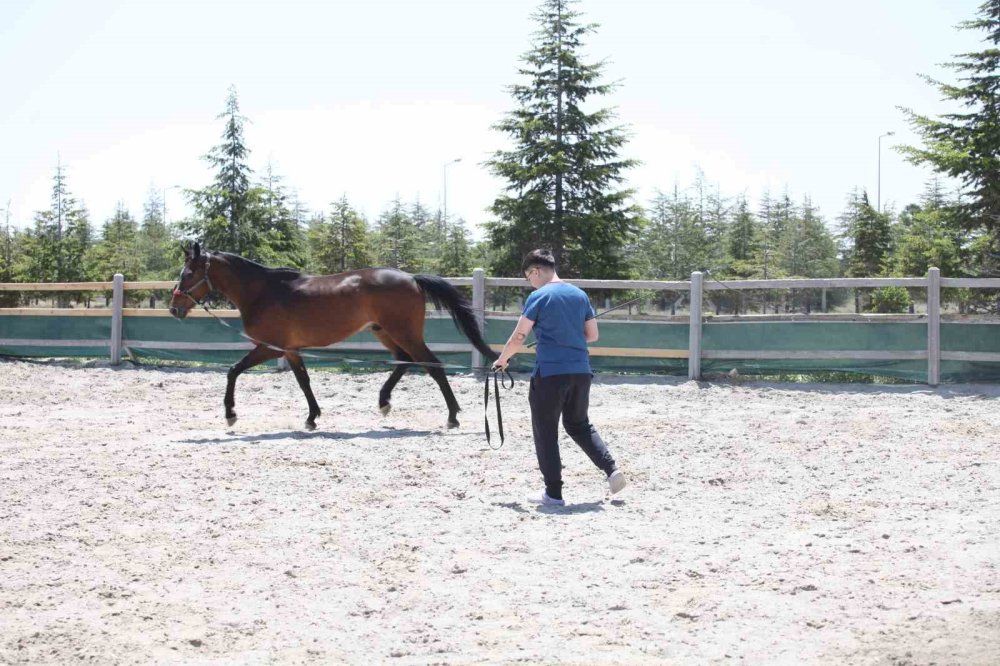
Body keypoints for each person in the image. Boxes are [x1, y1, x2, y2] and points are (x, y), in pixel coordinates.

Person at [493, 249, 627, 506]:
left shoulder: (538, 296)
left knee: (546, 431)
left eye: (529, 278)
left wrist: (503, 359)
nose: (530, 283)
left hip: (550, 374)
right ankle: (611, 470)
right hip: (581, 371)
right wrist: (567, 337)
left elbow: (519, 336)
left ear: (535, 271)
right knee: (579, 425)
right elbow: (592, 335)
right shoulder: (580, 295)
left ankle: (553, 494)